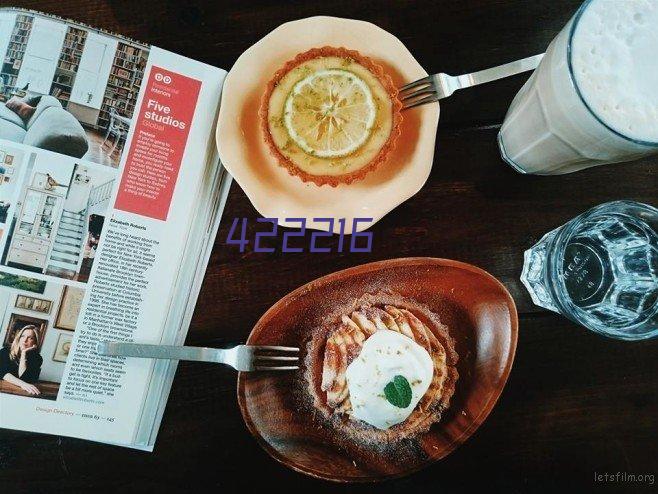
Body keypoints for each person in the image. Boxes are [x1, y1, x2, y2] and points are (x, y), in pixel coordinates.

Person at [0, 325, 43, 396]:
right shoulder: (5, 351)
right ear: (19, 338)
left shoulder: (37, 358)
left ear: (35, 342)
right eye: (23, 336)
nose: (25, 340)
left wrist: (23, 354)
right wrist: (23, 384)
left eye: (30, 338)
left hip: (21, 392)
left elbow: (25, 379)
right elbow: (3, 373)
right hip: (3, 389)